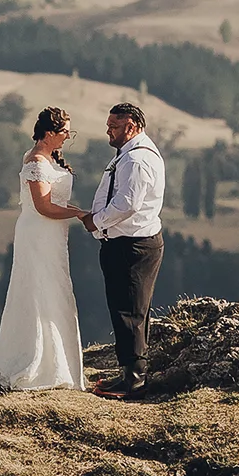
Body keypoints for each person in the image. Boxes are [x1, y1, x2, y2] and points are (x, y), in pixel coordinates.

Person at [0, 107, 87, 390]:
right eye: (65, 131)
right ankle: (37, 362)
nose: (68, 137)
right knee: (38, 290)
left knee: (54, 289)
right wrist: (79, 213)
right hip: (38, 233)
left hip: (53, 235)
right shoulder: (35, 161)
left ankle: (59, 362)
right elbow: (43, 206)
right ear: (49, 133)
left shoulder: (49, 158)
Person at [80, 102, 166, 399]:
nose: (108, 132)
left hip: (131, 245)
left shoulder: (136, 160)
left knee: (129, 310)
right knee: (130, 309)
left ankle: (134, 380)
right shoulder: (130, 155)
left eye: (113, 127)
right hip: (129, 242)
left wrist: (95, 221)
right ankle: (131, 372)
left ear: (131, 126)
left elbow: (127, 204)